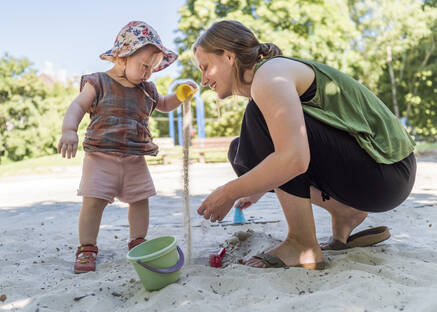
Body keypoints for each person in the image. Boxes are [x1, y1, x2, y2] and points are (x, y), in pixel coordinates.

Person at [194, 20, 416, 270]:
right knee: (241, 151)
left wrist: (228, 191)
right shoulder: (269, 76)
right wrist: (257, 185)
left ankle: (302, 243)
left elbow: (294, 159)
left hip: (386, 170)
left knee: (259, 118)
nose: (203, 80)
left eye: (206, 67)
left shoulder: (268, 75)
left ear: (228, 57)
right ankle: (345, 213)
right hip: (380, 173)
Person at [57, 21, 196, 273]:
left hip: (135, 158)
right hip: (100, 157)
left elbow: (164, 104)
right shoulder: (97, 82)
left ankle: (138, 241)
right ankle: (87, 248)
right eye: (144, 66)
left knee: (141, 200)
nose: (148, 73)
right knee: (93, 202)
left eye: (153, 68)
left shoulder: (148, 90)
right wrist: (69, 130)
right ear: (122, 57)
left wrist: (181, 95)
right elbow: (77, 106)